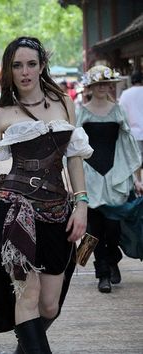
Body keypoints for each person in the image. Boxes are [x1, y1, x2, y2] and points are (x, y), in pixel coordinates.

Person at [0, 36, 93, 353]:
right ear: (8, 71)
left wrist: (81, 203)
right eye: (16, 65)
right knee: (28, 295)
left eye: (31, 64)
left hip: (57, 211)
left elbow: (74, 156)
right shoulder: (1, 116)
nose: (24, 72)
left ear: (41, 67)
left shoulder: (64, 103)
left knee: (50, 306)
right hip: (15, 211)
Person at [77, 65, 143, 294]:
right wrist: (72, 182)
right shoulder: (82, 113)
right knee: (94, 230)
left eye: (107, 84)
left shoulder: (118, 111)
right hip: (89, 175)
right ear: (91, 87)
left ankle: (113, 259)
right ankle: (102, 274)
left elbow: (128, 146)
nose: (103, 87)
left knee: (113, 228)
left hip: (115, 176)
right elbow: (74, 148)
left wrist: (136, 178)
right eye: (99, 84)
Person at [119, 71, 143, 168]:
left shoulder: (125, 94)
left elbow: (121, 113)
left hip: (133, 132)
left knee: (136, 160)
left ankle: (139, 181)